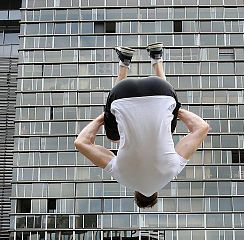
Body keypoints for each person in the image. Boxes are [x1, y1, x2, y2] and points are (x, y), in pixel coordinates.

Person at [74, 43, 210, 208]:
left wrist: (174, 110)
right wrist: (105, 116)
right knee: (113, 137)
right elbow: (81, 143)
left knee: (169, 130)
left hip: (162, 90)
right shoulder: (122, 176)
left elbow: (202, 128)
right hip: (122, 94)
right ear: (136, 194)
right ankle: (124, 62)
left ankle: (156, 58)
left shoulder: (173, 169)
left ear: (156, 194)